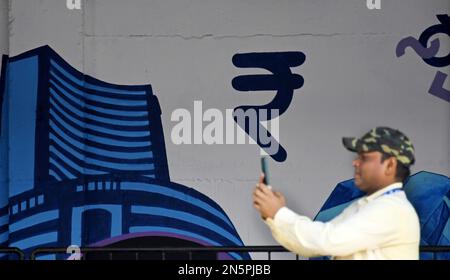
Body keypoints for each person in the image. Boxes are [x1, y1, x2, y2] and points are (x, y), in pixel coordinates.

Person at [253, 127, 420, 260]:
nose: (355, 162)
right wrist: (273, 216)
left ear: (390, 165)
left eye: (364, 157)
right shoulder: (371, 205)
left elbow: (327, 240)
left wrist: (278, 213)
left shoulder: (391, 209)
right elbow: (312, 247)